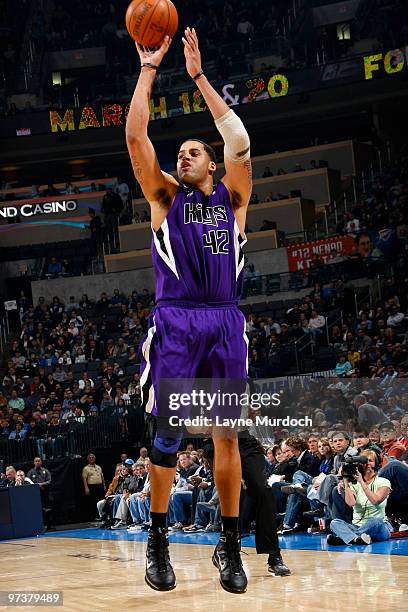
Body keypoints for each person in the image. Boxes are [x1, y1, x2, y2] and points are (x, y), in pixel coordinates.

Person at [126, 27, 252, 594]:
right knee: (170, 430)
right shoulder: (166, 198)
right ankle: (158, 539)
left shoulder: (233, 198)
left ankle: (229, 544)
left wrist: (199, 77)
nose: (184, 154)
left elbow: (240, 142)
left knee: (226, 435)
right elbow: (135, 140)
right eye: (180, 152)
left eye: (194, 151)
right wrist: (150, 69)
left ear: (212, 163)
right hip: (177, 319)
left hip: (224, 319)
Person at [327, 450, 392, 545]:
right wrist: (346, 481)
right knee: (335, 522)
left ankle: (346, 538)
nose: (367, 464)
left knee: (374, 521)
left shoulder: (383, 482)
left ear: (376, 463)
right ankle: (357, 539)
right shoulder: (354, 484)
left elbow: (375, 501)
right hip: (357, 526)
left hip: (379, 528)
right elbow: (351, 503)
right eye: (364, 461)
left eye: (370, 461)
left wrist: (362, 481)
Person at [82, 453, 105, 520]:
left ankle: (103, 515)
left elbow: (102, 477)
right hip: (92, 486)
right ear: (88, 459)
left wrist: (104, 485)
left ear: (95, 459)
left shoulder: (98, 467)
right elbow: (84, 479)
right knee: (93, 502)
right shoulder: (86, 468)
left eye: (93, 457)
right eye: (90, 458)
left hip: (100, 486)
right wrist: (86, 488)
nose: (91, 459)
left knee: (101, 500)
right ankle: (96, 516)